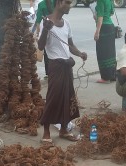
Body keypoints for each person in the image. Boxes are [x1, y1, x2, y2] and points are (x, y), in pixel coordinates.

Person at [37, 0, 88, 144]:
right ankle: (46, 132)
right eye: (68, 2)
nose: (70, 6)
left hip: (67, 65)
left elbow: (70, 45)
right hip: (56, 65)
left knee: (67, 97)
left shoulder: (66, 24)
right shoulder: (46, 22)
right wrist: (46, 29)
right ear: (59, 3)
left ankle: (64, 129)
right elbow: (41, 46)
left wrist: (80, 53)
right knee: (53, 97)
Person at [93, 0, 117, 83]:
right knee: (110, 52)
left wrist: (97, 32)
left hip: (104, 28)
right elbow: (111, 13)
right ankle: (112, 75)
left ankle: (105, 78)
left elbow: (100, 17)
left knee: (102, 53)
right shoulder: (109, 0)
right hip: (110, 26)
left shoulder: (100, 1)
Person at [32, 0, 53, 78]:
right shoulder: (55, 2)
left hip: (45, 27)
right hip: (55, 27)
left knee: (46, 50)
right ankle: (52, 71)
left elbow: (38, 20)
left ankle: (48, 72)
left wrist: (38, 33)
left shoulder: (41, 4)